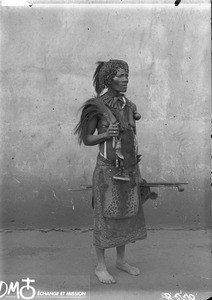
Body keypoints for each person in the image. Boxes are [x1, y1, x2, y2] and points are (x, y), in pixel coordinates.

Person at [74, 59, 148, 284]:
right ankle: (100, 266)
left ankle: (121, 261)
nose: (125, 79)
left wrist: (134, 161)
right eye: (120, 76)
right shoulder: (95, 107)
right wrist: (106, 134)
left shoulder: (129, 106)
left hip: (128, 171)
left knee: (125, 216)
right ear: (108, 79)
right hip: (106, 172)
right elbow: (87, 139)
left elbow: (131, 137)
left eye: (126, 75)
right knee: (104, 219)